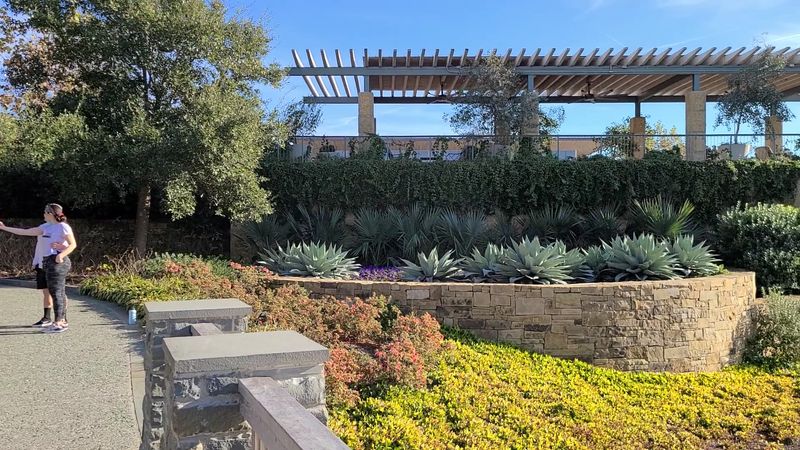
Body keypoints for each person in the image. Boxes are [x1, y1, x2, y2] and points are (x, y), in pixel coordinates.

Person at [0, 203, 77, 333]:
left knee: (57, 292)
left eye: (45, 212)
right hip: (47, 262)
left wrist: (61, 254)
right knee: (54, 291)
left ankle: (60, 322)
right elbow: (26, 232)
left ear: (51, 214)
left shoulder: (63, 227)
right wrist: (4, 228)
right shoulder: (45, 227)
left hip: (58, 262)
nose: (43, 214)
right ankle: (56, 320)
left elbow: (73, 244)